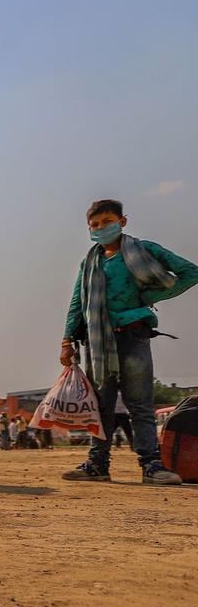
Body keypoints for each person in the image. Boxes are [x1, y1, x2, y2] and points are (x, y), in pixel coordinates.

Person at [60, 200, 197, 485]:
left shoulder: (145, 251)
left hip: (134, 335)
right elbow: (78, 303)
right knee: (101, 406)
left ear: (122, 222)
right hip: (97, 342)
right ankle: (97, 464)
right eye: (94, 225)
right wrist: (66, 340)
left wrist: (148, 298)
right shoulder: (89, 263)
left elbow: (190, 272)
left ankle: (151, 465)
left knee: (140, 405)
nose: (100, 228)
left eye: (106, 221)